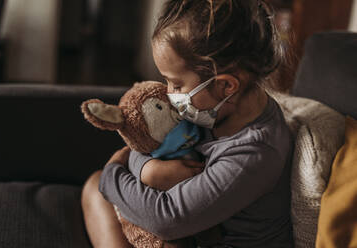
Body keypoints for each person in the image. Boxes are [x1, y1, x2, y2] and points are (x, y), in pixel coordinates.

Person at [81, 0, 294, 247]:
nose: (170, 94)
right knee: (94, 186)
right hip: (193, 227)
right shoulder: (214, 106)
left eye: (177, 84)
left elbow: (168, 220)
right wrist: (148, 169)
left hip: (200, 234)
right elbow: (148, 143)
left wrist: (113, 173)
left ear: (226, 85)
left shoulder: (255, 152)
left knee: (102, 183)